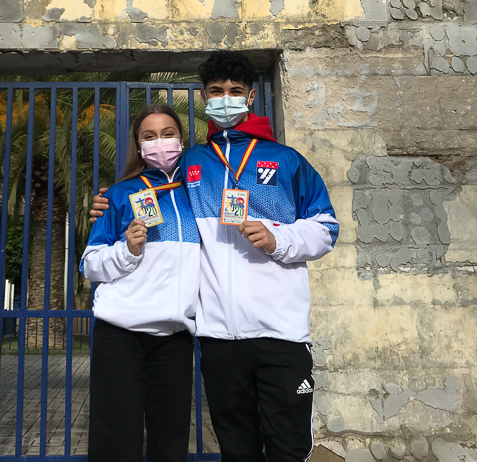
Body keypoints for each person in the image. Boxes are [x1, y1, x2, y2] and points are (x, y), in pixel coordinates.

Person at [92, 53, 339, 462]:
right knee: (236, 449)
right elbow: (152, 192)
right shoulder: (191, 163)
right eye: (217, 92)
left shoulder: (287, 160)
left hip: (280, 332)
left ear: (252, 96)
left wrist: (278, 238)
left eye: (235, 92)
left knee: (288, 446)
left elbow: (327, 229)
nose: (226, 98)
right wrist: (107, 204)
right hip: (218, 337)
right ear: (205, 97)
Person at [80, 104, 199, 462]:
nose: (160, 142)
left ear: (181, 138)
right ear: (137, 144)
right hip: (121, 336)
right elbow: (90, 264)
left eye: (167, 133)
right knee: (116, 438)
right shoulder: (118, 194)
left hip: (175, 338)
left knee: (171, 440)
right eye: (149, 136)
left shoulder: (198, 192)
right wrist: (128, 250)